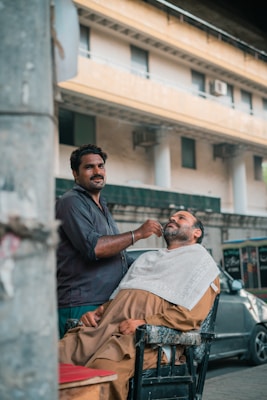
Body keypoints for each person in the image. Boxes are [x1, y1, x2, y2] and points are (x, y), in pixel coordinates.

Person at [59, 210, 220, 400]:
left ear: (196, 233)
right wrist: (99, 311)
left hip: (146, 341)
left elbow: (190, 316)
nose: (172, 219)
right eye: (171, 217)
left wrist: (144, 322)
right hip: (105, 328)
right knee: (57, 355)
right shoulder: (146, 259)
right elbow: (122, 295)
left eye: (181, 218)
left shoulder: (202, 265)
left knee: (103, 372)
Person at [56, 144, 163, 338]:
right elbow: (94, 248)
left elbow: (118, 256)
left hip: (106, 303)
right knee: (77, 366)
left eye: (101, 166)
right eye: (89, 167)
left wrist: (155, 263)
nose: (97, 172)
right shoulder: (71, 201)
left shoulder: (101, 205)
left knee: (100, 367)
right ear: (75, 173)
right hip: (82, 304)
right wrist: (137, 234)